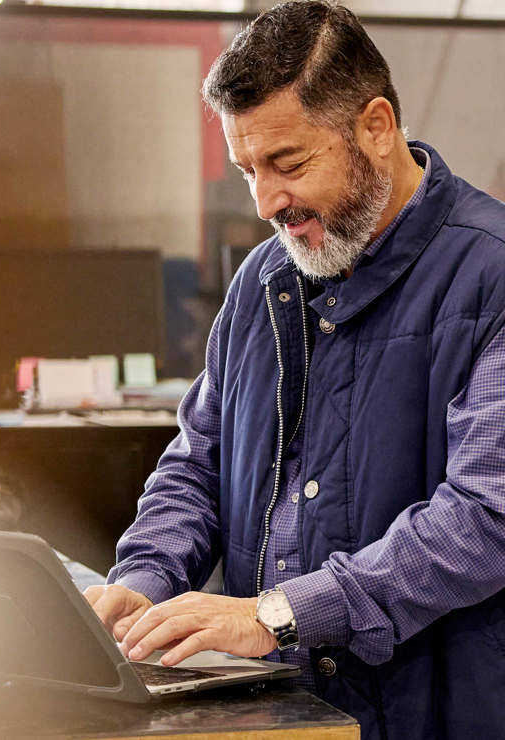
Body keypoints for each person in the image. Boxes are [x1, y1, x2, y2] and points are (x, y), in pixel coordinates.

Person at [85, 3, 505, 738]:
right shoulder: (263, 281)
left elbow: (486, 517)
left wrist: (280, 614)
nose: (266, 203)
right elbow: (198, 463)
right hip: (286, 719)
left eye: (288, 164)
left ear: (376, 128)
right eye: (248, 169)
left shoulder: (491, 277)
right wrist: (144, 580)